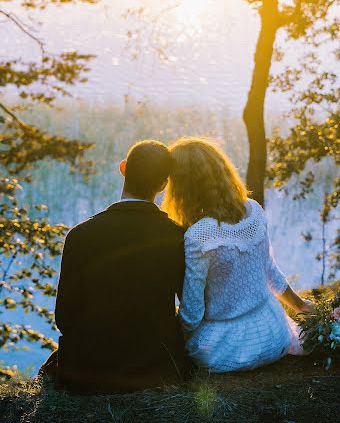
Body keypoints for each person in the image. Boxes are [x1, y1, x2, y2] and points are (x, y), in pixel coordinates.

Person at [41, 140, 188, 393]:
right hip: (154, 368)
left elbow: (64, 317)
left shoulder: (80, 236)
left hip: (88, 370)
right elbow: (189, 306)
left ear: (123, 168)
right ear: (164, 184)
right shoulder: (177, 236)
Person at [162, 137, 314, 373]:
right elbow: (271, 272)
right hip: (274, 334)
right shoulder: (254, 210)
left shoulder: (198, 235)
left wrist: (173, 340)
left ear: (182, 187)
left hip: (223, 349)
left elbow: (192, 314)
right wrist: (300, 306)